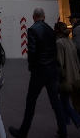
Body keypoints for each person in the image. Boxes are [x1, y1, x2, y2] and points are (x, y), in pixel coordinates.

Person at [9, 8, 67, 138]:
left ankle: (23, 132)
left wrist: (32, 66)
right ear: (44, 16)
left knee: (31, 101)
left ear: (33, 16)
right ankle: (63, 131)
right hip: (52, 70)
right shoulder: (51, 30)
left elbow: (32, 51)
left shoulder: (33, 29)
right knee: (55, 103)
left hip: (40, 71)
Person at [55, 22, 80, 138]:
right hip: (74, 77)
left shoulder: (59, 43)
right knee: (64, 103)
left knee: (64, 104)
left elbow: (59, 63)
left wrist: (59, 75)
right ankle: (62, 128)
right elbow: (76, 60)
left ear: (57, 30)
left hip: (65, 79)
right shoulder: (70, 41)